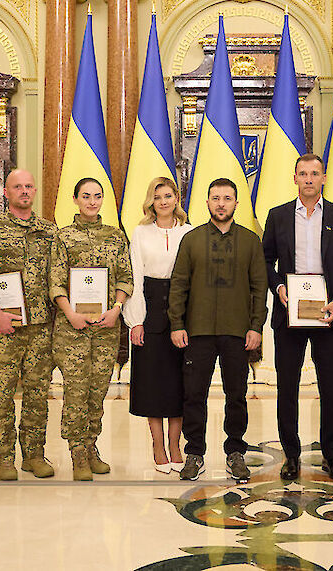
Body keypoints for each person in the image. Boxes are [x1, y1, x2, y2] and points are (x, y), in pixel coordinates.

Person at [261, 154, 333, 482]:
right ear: (295, 178)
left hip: (327, 315)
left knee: (330, 388)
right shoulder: (277, 216)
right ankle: (291, 456)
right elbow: (266, 260)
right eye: (303, 174)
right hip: (290, 314)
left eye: (315, 174)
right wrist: (278, 289)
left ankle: (332, 456)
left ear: (324, 178)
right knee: (287, 387)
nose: (309, 179)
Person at [168, 178, 268, 483]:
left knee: (236, 394)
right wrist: (176, 324)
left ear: (237, 203)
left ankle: (235, 452)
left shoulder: (251, 241)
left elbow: (259, 288)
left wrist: (256, 326)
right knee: (194, 394)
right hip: (197, 331)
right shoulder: (192, 239)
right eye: (215, 198)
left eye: (227, 198)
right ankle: (194, 453)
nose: (221, 203)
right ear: (207, 202)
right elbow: (179, 284)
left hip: (237, 332)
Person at [0, 169, 58, 481]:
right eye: (17, 187)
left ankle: (34, 454)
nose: (24, 191)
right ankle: (4, 458)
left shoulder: (49, 231)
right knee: (1, 395)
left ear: (35, 191)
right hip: (3, 329)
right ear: (6, 192)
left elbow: (57, 276)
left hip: (40, 327)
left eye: (29, 186)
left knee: (37, 394)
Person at [50, 178, 133, 481]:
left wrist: (117, 309)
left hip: (105, 329)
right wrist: (70, 312)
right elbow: (55, 280)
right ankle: (76, 453)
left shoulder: (115, 237)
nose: (92, 202)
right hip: (72, 330)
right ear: (75, 199)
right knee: (75, 390)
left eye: (97, 196)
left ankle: (91, 445)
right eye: (86, 196)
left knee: (97, 391)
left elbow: (126, 276)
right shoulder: (63, 237)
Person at [122, 177, 192, 474]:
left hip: (181, 313)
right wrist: (135, 320)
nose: (163, 201)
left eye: (168, 195)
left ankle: (176, 445)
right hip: (149, 310)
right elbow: (135, 276)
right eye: (157, 196)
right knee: (152, 383)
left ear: (177, 198)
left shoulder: (190, 233)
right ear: (151, 201)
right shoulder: (140, 233)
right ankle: (158, 445)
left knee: (179, 383)